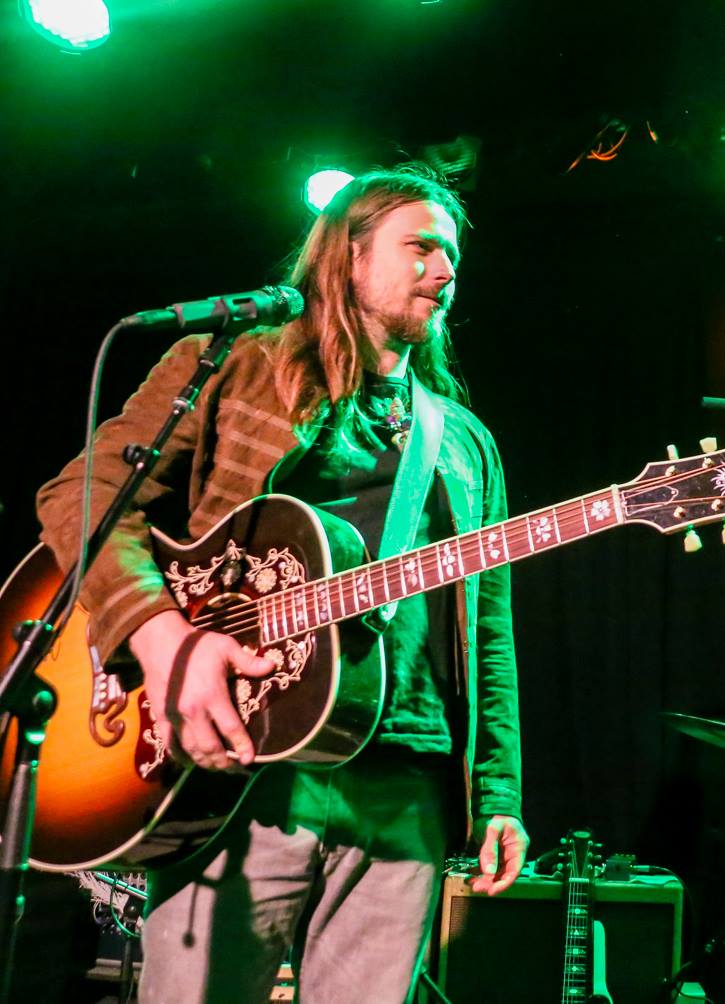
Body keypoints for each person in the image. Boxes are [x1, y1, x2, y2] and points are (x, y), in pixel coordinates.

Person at [35, 165, 528, 1003]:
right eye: (421, 249)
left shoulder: (465, 443)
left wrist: (500, 794)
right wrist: (163, 637)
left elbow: (486, 629)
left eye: (452, 257)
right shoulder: (231, 363)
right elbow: (79, 496)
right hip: (238, 762)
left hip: (405, 779)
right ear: (347, 255)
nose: (446, 272)